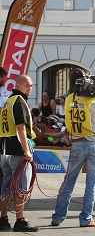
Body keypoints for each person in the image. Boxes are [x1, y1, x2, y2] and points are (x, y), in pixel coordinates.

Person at [50, 69, 95, 227]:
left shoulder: (69, 99)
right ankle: (86, 218)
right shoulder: (94, 101)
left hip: (77, 143)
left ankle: (57, 217)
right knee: (91, 183)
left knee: (68, 182)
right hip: (94, 143)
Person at [0, 74, 38, 232]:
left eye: (31, 86)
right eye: (27, 85)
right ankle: (20, 220)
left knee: (6, 186)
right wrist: (26, 151)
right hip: (17, 150)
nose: (30, 88)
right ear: (18, 85)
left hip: (4, 149)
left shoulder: (8, 101)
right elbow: (20, 128)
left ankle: (3, 218)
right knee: (20, 187)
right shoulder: (19, 102)